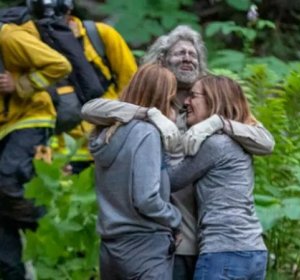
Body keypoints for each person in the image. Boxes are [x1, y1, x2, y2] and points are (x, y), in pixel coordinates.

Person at [82, 25, 274, 280]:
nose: (188, 58)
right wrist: (149, 114)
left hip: (212, 242)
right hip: (170, 240)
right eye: (180, 53)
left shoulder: (209, 105)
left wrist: (218, 123)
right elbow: (91, 109)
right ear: (162, 60)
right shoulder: (150, 104)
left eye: (193, 54)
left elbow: (266, 142)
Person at [168, 75, 268, 280]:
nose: (186, 102)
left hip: (224, 253)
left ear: (214, 100)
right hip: (253, 251)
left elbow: (172, 180)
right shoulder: (238, 139)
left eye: (193, 96)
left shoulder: (215, 144)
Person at [89, 63, 181, 280]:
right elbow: (146, 198)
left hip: (111, 249)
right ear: (160, 100)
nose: (175, 110)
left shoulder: (107, 134)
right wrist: (175, 218)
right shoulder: (147, 134)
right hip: (144, 249)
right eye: (171, 101)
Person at [0, 21, 71, 279]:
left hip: (32, 118)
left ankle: (46, 225)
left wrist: (21, 83)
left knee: (7, 178)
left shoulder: (9, 38)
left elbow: (60, 65)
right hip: (4, 127)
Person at [45, 0, 137, 174]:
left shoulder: (100, 35)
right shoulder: (30, 43)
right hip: (58, 152)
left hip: (106, 146)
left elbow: (133, 86)